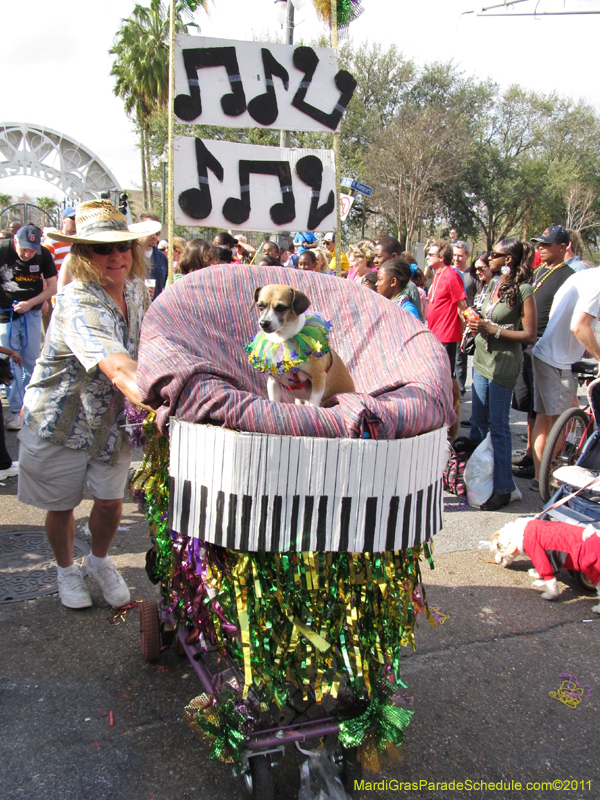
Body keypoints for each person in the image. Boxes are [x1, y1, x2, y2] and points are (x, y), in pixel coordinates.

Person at [18, 200, 161, 610]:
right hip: (60, 419)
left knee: (111, 501)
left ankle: (99, 561)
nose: (115, 255)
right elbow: (117, 366)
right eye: (102, 248)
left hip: (111, 420)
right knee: (61, 505)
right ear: (83, 255)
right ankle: (66, 570)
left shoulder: (135, 289)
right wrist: (166, 405)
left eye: (123, 246)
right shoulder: (77, 301)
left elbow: (151, 343)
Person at [466, 238, 537, 511]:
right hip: (483, 359)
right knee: (479, 421)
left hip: (503, 363)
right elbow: (486, 316)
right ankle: (484, 477)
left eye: (494, 255)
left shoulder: (524, 289)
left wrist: (492, 329)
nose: (489, 258)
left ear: (508, 260)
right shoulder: (493, 284)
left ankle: (504, 487)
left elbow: (528, 335)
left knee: (499, 427)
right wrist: (474, 321)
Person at [512, 226, 574, 480]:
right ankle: (531, 456)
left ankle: (548, 463)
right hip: (526, 348)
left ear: (563, 246)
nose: (541, 248)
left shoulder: (570, 276)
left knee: (547, 411)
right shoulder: (536, 272)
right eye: (539, 244)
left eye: (547, 244)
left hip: (547, 348)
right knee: (530, 406)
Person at [530, 268, 600, 490]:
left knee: (545, 418)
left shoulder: (583, 275)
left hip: (547, 353)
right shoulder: (597, 283)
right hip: (557, 359)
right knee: (561, 424)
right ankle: (551, 478)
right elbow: (579, 326)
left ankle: (539, 478)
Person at [0, 224, 58, 430]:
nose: (27, 254)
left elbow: (53, 286)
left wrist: (34, 302)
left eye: (31, 250)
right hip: (5, 315)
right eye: (24, 249)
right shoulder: (3, 250)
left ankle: (32, 407)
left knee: (32, 362)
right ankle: (16, 411)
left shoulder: (43, 255)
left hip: (31, 312)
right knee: (11, 364)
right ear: (15, 242)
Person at [426, 240, 467, 376]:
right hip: (435, 333)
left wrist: (464, 334)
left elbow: (462, 306)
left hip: (447, 336)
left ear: (441, 257)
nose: (427, 257)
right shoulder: (437, 274)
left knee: (445, 375)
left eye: (431, 254)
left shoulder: (451, 274)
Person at [374, 236, 423, 321]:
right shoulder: (388, 301)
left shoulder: (407, 309)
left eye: (379, 256)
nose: (375, 260)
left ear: (393, 281)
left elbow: (417, 327)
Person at [453, 240, 476, 395]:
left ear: (467, 256)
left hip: (466, 322)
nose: (457, 258)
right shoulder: (449, 272)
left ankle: (460, 389)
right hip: (450, 321)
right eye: (454, 255)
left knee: (461, 357)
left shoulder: (473, 275)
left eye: (460, 255)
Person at [139, 211, 167, 299]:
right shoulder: (129, 256)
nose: (154, 236)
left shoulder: (162, 258)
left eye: (157, 232)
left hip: (155, 310)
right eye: (150, 231)